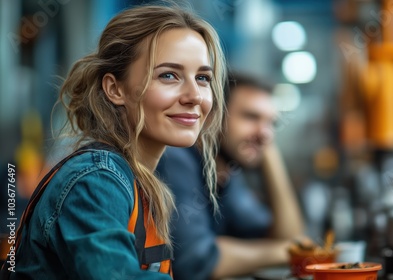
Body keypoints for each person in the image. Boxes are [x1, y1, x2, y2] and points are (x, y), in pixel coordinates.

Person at [3, 4, 226, 279]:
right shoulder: (97, 178)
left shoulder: (134, 178)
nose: (194, 96)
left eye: (203, 78)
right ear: (115, 89)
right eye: (169, 75)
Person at [157, 72, 304, 279]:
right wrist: (284, 252)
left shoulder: (226, 173)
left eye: (272, 123)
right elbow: (195, 259)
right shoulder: (176, 158)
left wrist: (270, 154)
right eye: (251, 117)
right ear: (212, 115)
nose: (266, 133)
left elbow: (287, 235)